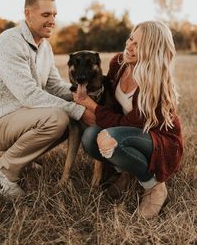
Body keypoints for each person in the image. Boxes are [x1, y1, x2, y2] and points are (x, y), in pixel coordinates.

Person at [0, 0, 93, 199]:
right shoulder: (10, 43)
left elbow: (54, 86)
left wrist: (86, 93)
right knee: (59, 118)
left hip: (23, 118)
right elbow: (29, 95)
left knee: (66, 119)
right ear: (28, 14)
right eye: (46, 15)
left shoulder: (45, 47)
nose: (52, 21)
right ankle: (4, 170)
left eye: (55, 15)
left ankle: (24, 159)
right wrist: (79, 111)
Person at [73, 20, 183, 219]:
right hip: (127, 132)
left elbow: (125, 124)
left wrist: (91, 106)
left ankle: (155, 187)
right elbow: (112, 105)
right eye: (131, 38)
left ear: (152, 50)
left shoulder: (154, 86)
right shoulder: (119, 63)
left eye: (138, 45)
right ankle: (125, 173)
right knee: (90, 137)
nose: (129, 46)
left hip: (159, 141)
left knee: (112, 140)